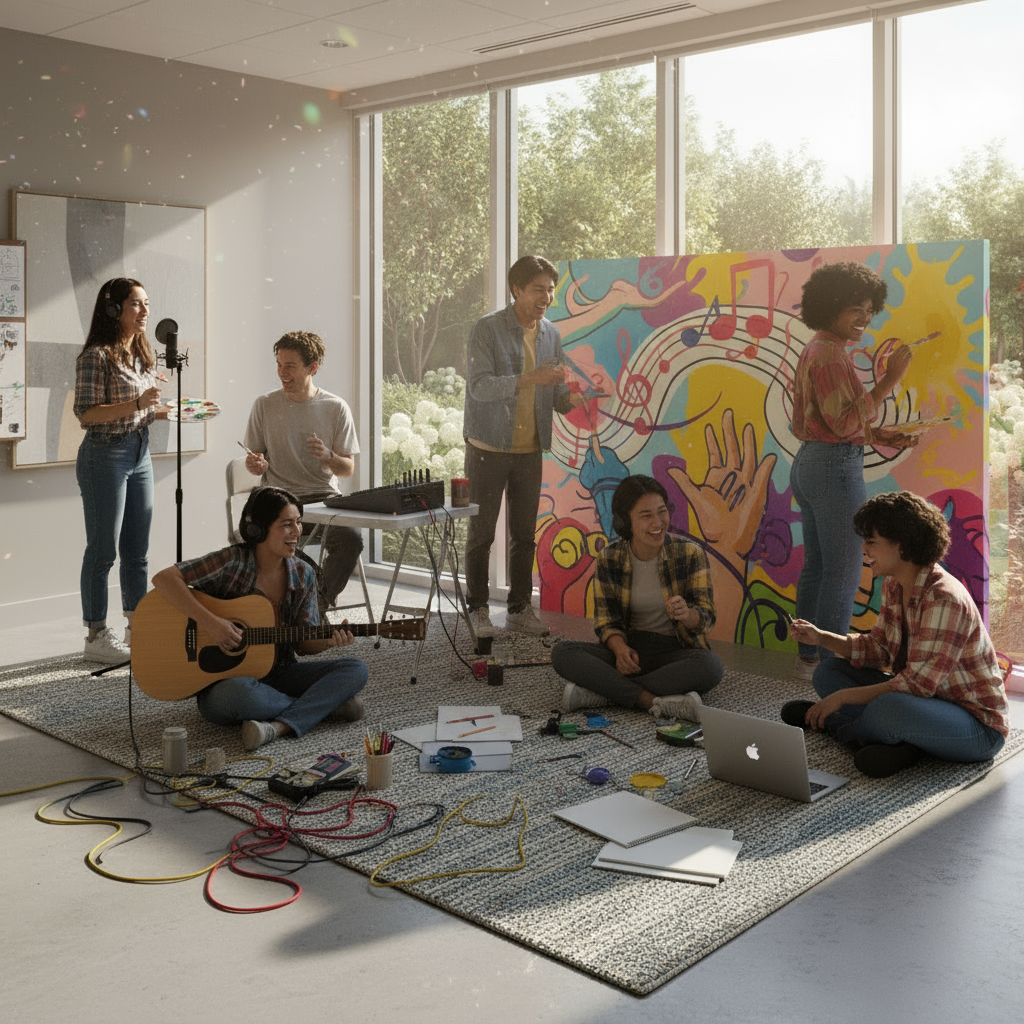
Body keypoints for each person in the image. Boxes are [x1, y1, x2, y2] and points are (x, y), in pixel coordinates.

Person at [785, 491, 1009, 778]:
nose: (864, 551)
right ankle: (899, 742)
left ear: (902, 545)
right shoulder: (894, 584)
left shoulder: (944, 598)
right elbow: (879, 649)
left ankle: (840, 727)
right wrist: (821, 638)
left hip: (976, 727)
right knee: (827, 672)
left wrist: (842, 699)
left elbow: (916, 685)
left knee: (888, 708)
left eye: (871, 542)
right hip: (925, 705)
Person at [152, 486, 367, 752]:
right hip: (226, 683)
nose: (297, 532)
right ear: (258, 529)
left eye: (298, 522)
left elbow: (303, 644)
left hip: (281, 672)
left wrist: (329, 642)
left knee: (356, 669)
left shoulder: (303, 573)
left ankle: (280, 726)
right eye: (286, 524)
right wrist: (211, 623)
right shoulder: (232, 561)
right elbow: (164, 579)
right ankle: (326, 706)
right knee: (242, 696)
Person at [790, 261, 917, 681]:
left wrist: (881, 434)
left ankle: (808, 659)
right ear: (830, 308)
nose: (864, 319)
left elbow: (832, 420)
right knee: (844, 572)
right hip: (833, 467)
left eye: (869, 311)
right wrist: (889, 381)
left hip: (811, 461)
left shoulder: (817, 349)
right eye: (854, 310)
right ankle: (831, 669)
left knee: (819, 567)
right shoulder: (829, 355)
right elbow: (843, 426)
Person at [464, 255, 582, 637]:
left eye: (550, 289)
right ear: (516, 290)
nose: (546, 296)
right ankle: (479, 610)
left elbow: (558, 396)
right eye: (538, 289)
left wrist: (578, 396)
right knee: (481, 533)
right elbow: (479, 387)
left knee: (524, 534)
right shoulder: (487, 329)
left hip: (530, 447)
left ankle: (518, 608)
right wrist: (530, 377)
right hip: (488, 447)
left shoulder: (551, 334)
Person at [551, 475, 724, 718]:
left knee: (711, 667)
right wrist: (620, 650)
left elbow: (707, 618)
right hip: (629, 649)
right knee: (563, 653)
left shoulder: (690, 554)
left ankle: (605, 693)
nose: (658, 522)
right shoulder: (609, 558)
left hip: (674, 651)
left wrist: (688, 615)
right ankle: (649, 700)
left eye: (662, 512)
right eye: (646, 515)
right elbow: (606, 622)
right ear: (625, 522)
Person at [75, 277, 169, 664]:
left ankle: (138, 625)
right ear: (113, 309)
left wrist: (172, 410)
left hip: (139, 451)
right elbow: (87, 413)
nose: (145, 311)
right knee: (103, 551)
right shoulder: (96, 357)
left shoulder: (142, 353)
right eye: (136, 304)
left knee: (138, 551)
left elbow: (144, 407)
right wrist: (137, 402)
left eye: (147, 303)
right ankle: (96, 635)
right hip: (104, 455)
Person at [243, 331, 362, 613]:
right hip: (277, 499)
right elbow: (254, 457)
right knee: (274, 544)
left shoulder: (335, 407)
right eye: (279, 365)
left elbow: (347, 469)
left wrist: (329, 456)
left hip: (323, 498)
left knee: (351, 539)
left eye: (290, 366)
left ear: (312, 367)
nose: (282, 373)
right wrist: (255, 464)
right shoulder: (265, 404)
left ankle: (318, 605)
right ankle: (310, 605)